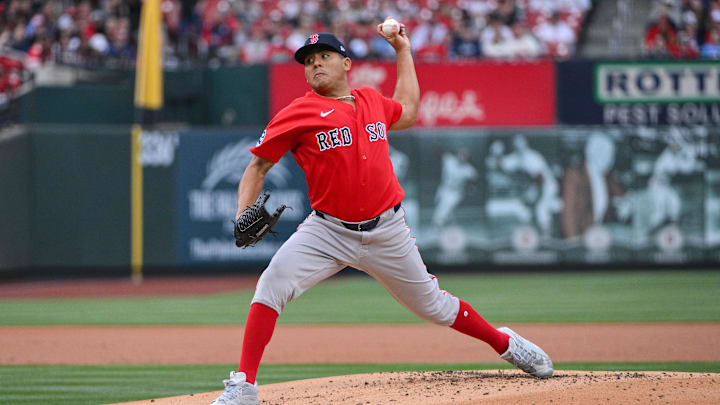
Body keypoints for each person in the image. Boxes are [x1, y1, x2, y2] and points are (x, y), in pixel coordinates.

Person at [211, 22, 553, 405]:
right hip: (328, 231)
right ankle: (244, 386)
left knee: (436, 306)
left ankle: (505, 343)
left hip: (387, 229)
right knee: (271, 284)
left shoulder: (371, 100)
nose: (315, 64)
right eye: (308, 61)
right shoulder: (298, 112)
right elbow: (256, 167)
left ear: (346, 63)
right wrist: (242, 213)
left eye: (324, 56)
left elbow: (407, 111)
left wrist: (403, 51)